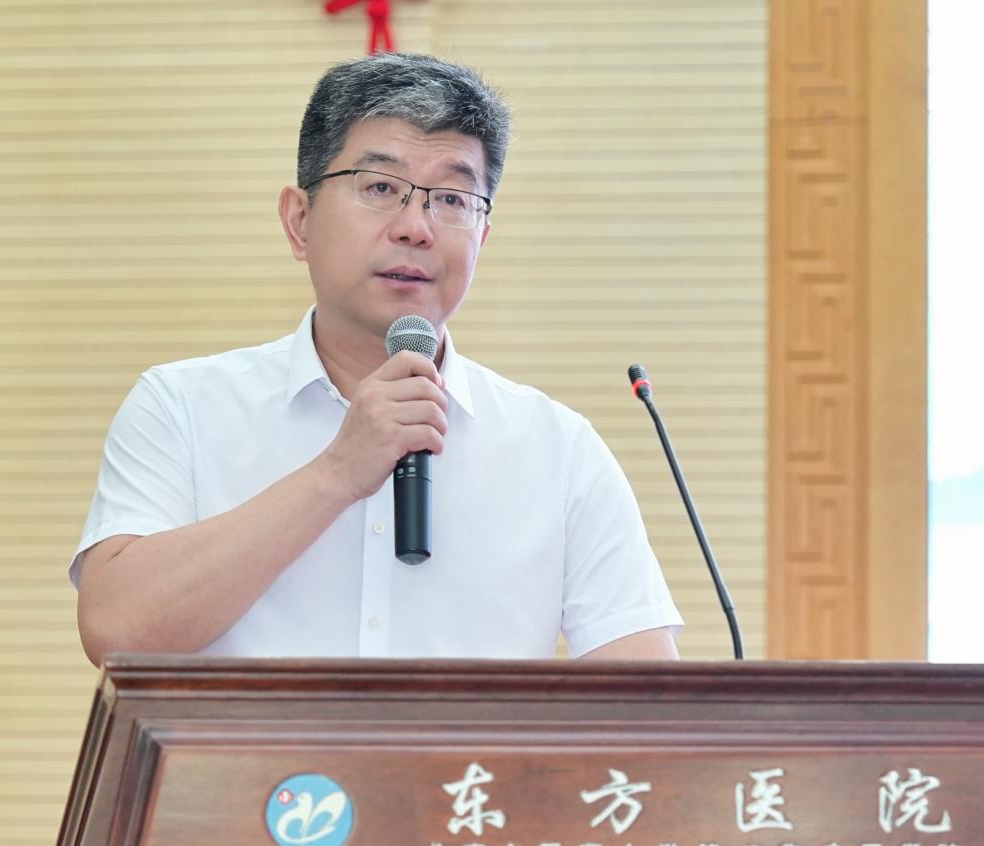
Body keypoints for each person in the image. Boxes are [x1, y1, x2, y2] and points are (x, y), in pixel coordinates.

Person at [71, 53, 682, 667]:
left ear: (482, 237)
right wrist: (337, 472)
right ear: (299, 221)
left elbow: (645, 698)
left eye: (452, 198)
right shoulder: (182, 408)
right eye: (381, 187)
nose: (416, 227)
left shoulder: (559, 450)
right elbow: (115, 629)